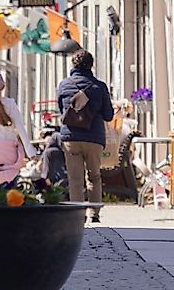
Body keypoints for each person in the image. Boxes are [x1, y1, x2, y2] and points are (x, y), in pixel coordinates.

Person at [56, 49, 114, 221]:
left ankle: (77, 215)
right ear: (91, 65)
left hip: (71, 138)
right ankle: (94, 213)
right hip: (94, 138)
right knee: (94, 176)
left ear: (73, 64)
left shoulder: (64, 85)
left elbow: (62, 110)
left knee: (75, 178)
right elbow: (108, 115)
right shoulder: (99, 86)